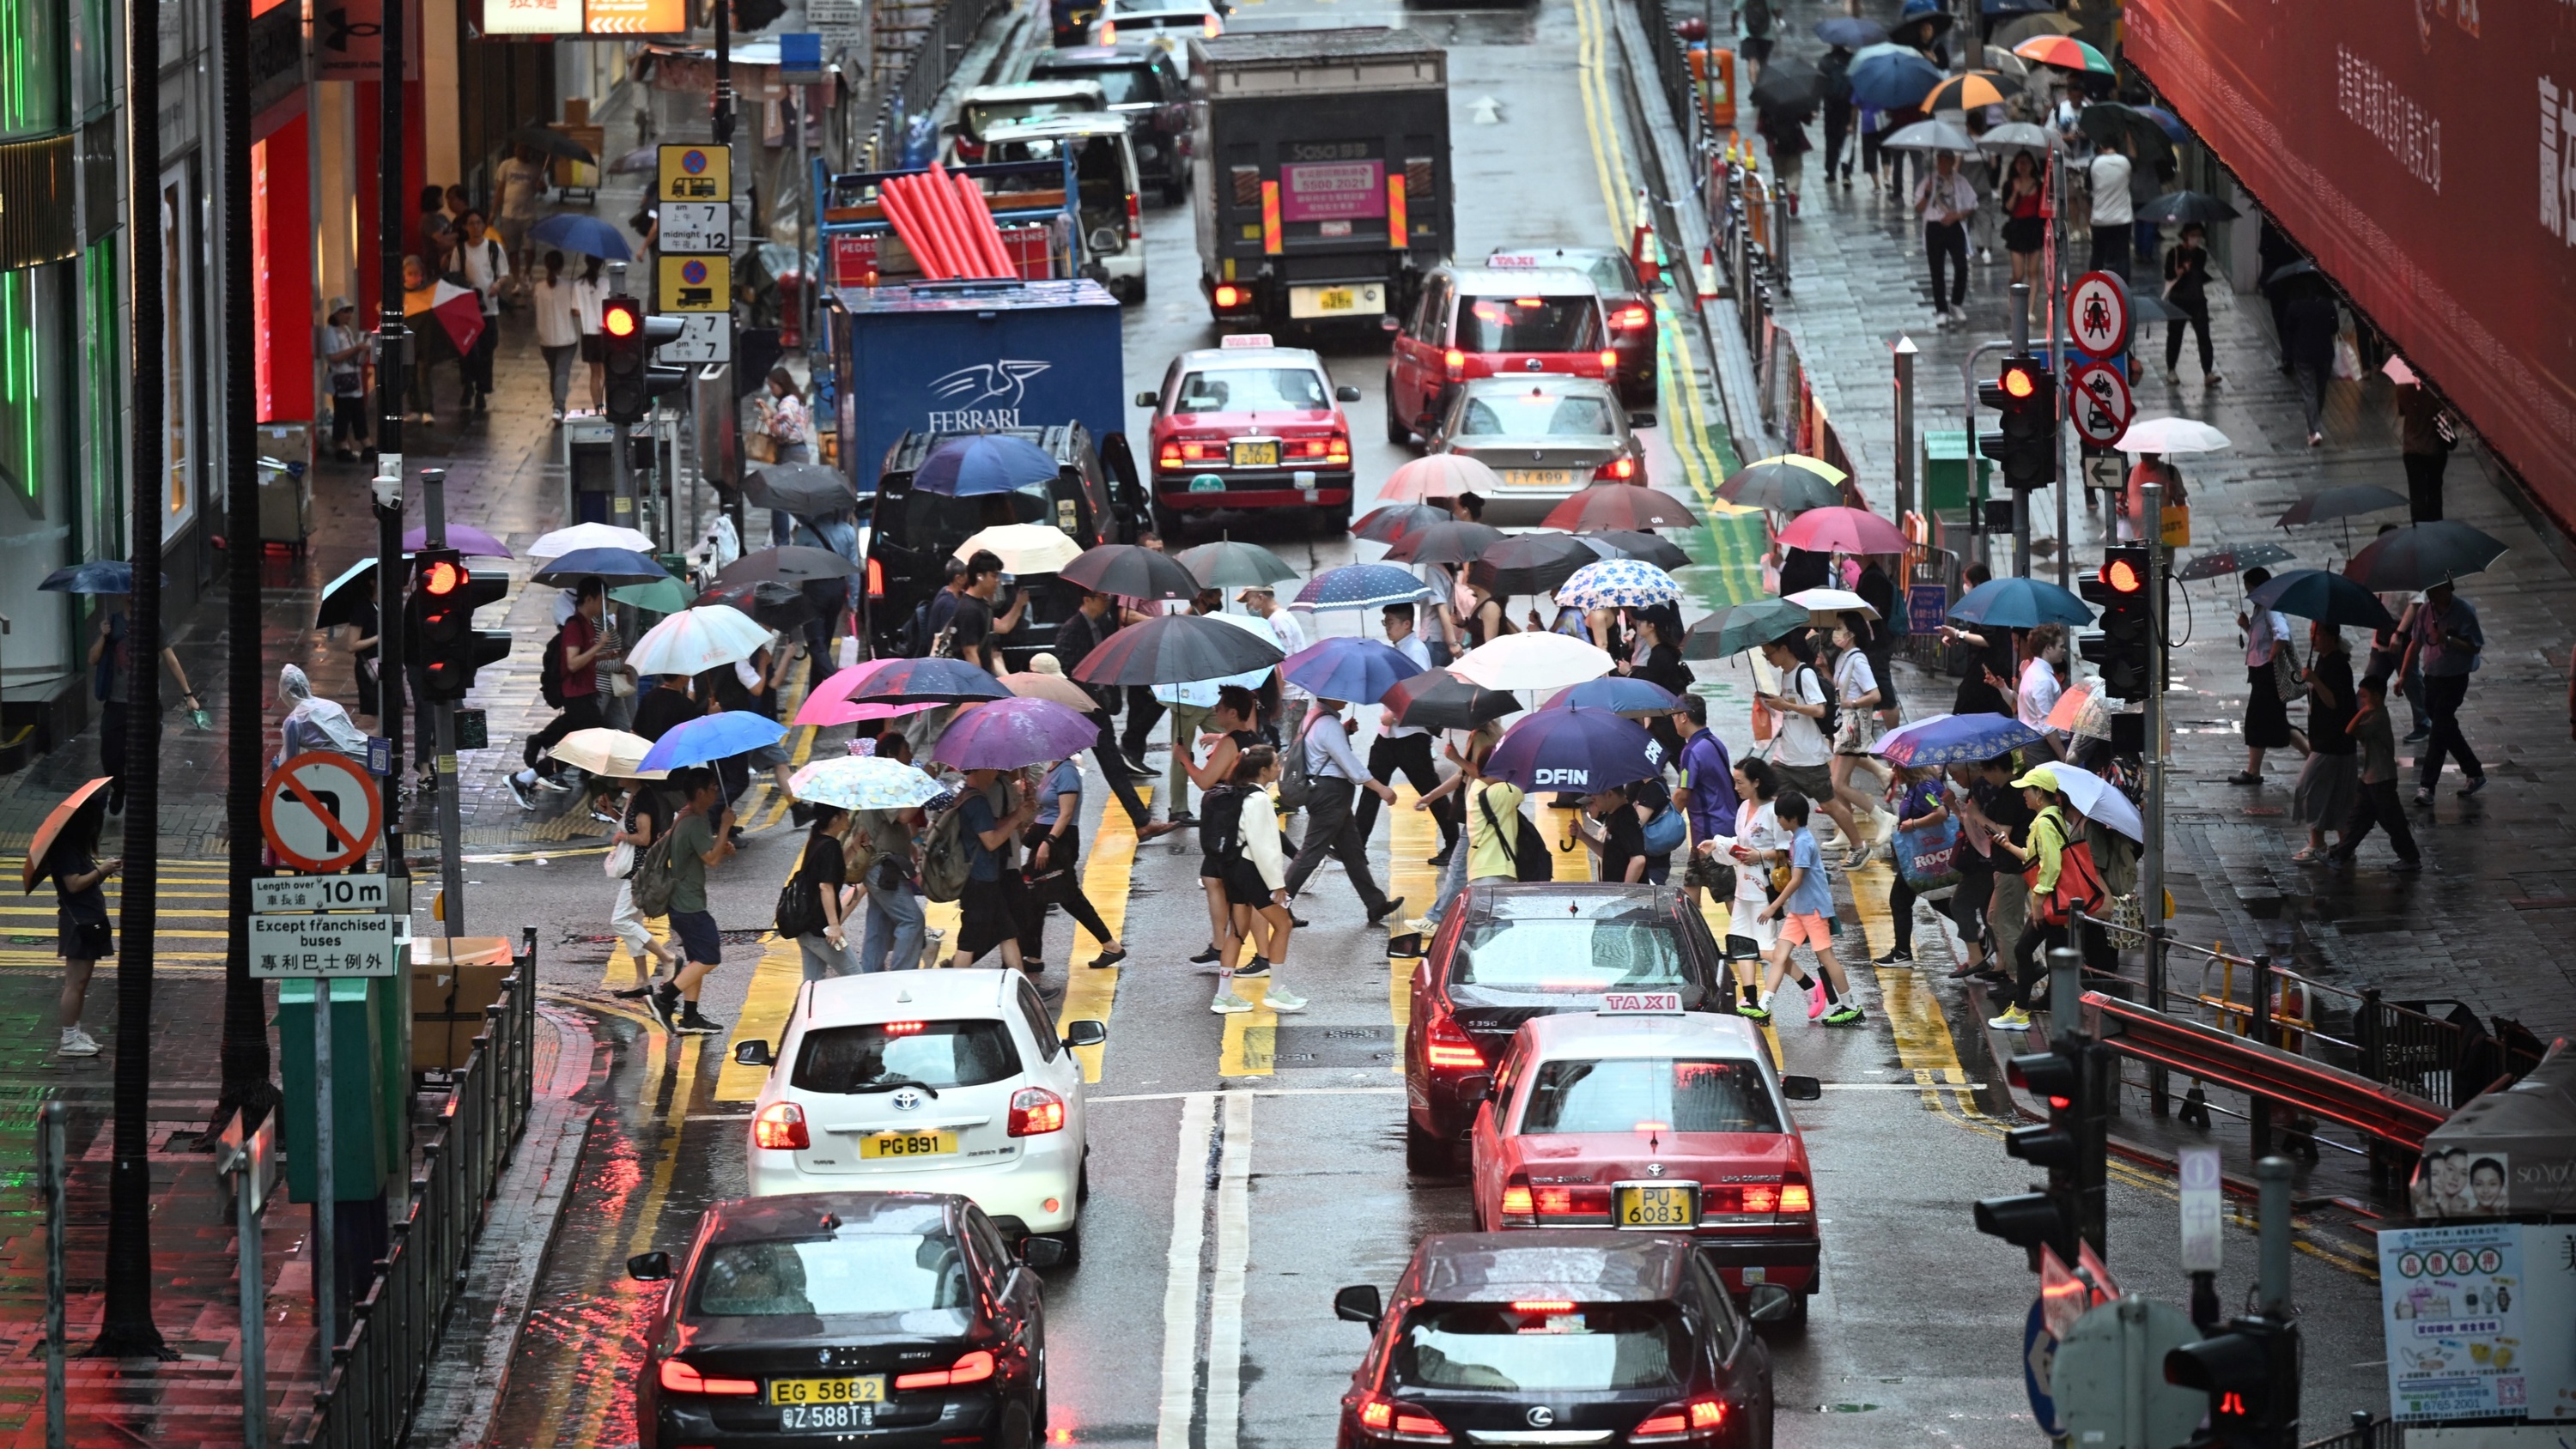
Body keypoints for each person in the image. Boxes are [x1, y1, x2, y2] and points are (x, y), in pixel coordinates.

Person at [1747, 791, 1865, 1028]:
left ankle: (1851, 1007)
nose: (1778, 821)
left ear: (1792, 818)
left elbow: (1797, 879)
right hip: (1799, 910)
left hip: (1813, 910)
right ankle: (1763, 1007)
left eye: (1780, 817)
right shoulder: (1796, 838)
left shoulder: (1803, 842)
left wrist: (1773, 906)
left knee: (1826, 957)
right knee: (1780, 956)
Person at [1283, 697, 1404, 925]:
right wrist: (1381, 789)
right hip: (1331, 794)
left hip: (1328, 793)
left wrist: (1343, 731)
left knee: (1352, 850)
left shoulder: (1316, 717)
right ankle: (1278, 905)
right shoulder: (1328, 724)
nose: (1346, 699)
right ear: (1328, 696)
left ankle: (1375, 904)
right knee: (1312, 851)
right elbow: (1352, 767)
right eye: (1340, 695)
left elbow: (1321, 749)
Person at [1206, 748, 1308, 1016]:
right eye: (1276, 763)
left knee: (1238, 931)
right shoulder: (1260, 800)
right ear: (1263, 771)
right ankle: (1276, 990)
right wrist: (1277, 885)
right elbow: (1266, 848)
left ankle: (1224, 996)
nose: (1279, 766)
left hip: (1232, 867)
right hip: (1251, 868)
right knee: (1283, 924)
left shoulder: (1238, 792)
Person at [1353, 604, 1455, 858]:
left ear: (1406, 624)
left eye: (1390, 622)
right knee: (1372, 786)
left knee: (1430, 790)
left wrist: (1394, 716)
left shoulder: (1415, 651)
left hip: (1411, 736)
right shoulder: (1400, 649)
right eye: (1385, 622)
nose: (1386, 627)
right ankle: (1355, 847)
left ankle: (1454, 841)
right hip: (1390, 737)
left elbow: (1420, 693)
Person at [88, 593, 200, 815]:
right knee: (111, 759)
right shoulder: (112, 623)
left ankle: (139, 807)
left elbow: (171, 659)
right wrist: (103, 636)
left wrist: (189, 695)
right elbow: (93, 659)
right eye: (128, 593)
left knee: (145, 760)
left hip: (147, 705)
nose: (132, 597)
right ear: (122, 597)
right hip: (116, 704)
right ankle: (119, 789)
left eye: (136, 592)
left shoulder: (153, 625)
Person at [1017, 755, 1128, 971]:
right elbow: (1046, 808)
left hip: (1058, 842)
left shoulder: (1067, 772)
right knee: (1035, 897)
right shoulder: (1051, 768)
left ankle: (1111, 945)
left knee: (1068, 896)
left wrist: (1048, 842)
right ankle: (1033, 957)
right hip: (1044, 838)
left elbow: (1066, 813)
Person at [511, 577, 615, 807]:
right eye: (602, 601)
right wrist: (599, 646)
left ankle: (526, 775)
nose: (604, 606)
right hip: (577, 695)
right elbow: (572, 663)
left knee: (575, 746)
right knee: (587, 743)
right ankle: (601, 797)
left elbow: (583, 660)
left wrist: (601, 655)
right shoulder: (574, 626)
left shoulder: (587, 625)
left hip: (586, 693)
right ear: (589, 599)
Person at [1757, 634, 1866, 852]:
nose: (1767, 658)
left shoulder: (1804, 673)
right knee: (1772, 800)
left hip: (1809, 759)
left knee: (1829, 805)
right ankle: (1782, 850)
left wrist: (1786, 705)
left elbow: (1819, 709)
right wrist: (1773, 702)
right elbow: (1793, 707)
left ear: (1784, 650)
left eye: (1769, 653)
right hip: (1786, 757)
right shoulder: (1786, 675)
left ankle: (1859, 846)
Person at [647, 767, 735, 1034]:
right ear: (699, 792)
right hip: (689, 904)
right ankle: (663, 999)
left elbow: (703, 850)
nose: (716, 792)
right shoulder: (696, 821)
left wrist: (721, 843)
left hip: (681, 902)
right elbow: (712, 860)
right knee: (709, 957)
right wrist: (725, 826)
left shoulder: (685, 816)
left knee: (697, 958)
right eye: (712, 788)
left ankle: (691, 1016)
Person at [1990, 765, 2075, 1032]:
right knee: (2055, 955)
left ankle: (2020, 1011)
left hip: (2051, 901)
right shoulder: (2052, 818)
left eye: (2027, 790)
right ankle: (2057, 1013)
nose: (2023, 795)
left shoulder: (2044, 822)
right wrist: (2008, 846)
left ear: (2040, 793)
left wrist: (2038, 899)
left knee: (2023, 949)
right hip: (2059, 901)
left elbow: (2051, 864)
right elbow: (2033, 855)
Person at [1415, 724, 1517, 932]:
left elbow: (1480, 773)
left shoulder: (1482, 735)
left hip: (1484, 809)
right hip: (1487, 809)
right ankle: (1440, 916)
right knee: (1460, 867)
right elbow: (1463, 775)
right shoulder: (1493, 731)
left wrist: (1455, 758)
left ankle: (1437, 918)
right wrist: (1431, 797)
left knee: (1459, 868)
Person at [2402, 579, 2486, 802]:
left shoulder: (2464, 611)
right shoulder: (2425, 612)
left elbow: (2475, 646)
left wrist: (2448, 640)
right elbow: (2415, 644)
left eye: (2435, 589)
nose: (2430, 593)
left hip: (2455, 677)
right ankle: (2474, 771)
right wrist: (2403, 675)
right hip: (2432, 677)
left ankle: (2427, 787)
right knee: (2445, 726)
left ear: (2447, 588)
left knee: (2438, 730)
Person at [2327, 676, 2420, 870]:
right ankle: (2339, 855)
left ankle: (2410, 858)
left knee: (2393, 822)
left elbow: (2349, 730)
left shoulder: (2377, 718)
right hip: (2371, 779)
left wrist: (2363, 711)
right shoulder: (2374, 716)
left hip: (2381, 779)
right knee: (2358, 820)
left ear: (2376, 697)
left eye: (2364, 696)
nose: (2362, 701)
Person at [951, 767, 1038, 970]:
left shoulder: (965, 796)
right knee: (968, 942)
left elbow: (993, 826)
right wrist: (1017, 817)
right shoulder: (977, 802)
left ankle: (1019, 984)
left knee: (1008, 933)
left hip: (985, 878)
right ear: (979, 770)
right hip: (979, 880)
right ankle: (954, 990)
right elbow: (991, 841)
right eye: (990, 770)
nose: (994, 774)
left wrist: (1019, 812)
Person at [46, 796, 114, 1056]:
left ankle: (75, 1030)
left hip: (89, 919)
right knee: (75, 982)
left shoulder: (76, 847)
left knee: (82, 981)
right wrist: (101, 870)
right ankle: (69, 1038)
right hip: (78, 923)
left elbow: (85, 883)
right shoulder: (65, 849)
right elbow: (73, 884)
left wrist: (102, 871)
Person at [607, 778, 681, 999]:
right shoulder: (636, 796)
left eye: (621, 771)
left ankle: (667, 957)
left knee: (620, 921)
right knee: (633, 922)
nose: (617, 776)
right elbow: (632, 825)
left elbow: (644, 837)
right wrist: (612, 812)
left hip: (640, 872)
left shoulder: (644, 799)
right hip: (638, 870)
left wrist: (622, 837)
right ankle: (642, 980)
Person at [2291, 625, 2357, 863]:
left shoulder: (2338, 665)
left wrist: (2315, 680)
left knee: (2307, 786)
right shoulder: (2322, 659)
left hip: (2334, 742)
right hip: (2326, 740)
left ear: (2331, 636)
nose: (2312, 637)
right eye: (2311, 632)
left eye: (2317, 633)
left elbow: (2334, 703)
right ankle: (2345, 845)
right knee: (2340, 794)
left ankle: (2317, 842)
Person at [2231, 570, 2304, 785]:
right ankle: (2253, 771)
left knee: (2267, 722)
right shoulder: (2260, 609)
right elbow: (2261, 638)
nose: (2248, 593)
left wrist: (2272, 656)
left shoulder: (2272, 607)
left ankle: (2313, 758)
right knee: (2264, 722)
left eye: (2250, 588)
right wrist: (2247, 626)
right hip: (2259, 674)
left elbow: (2281, 634)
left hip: (2267, 674)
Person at [1874, 764, 1947, 965]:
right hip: (1921, 854)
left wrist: (1913, 824)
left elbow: (1941, 812)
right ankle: (1978, 934)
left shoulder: (1924, 787)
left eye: (1896, 768)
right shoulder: (1917, 786)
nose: (1893, 772)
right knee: (1937, 899)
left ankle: (1902, 953)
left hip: (1924, 854)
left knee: (1899, 900)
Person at [1674, 694, 1740, 912]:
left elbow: (1683, 793)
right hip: (1714, 832)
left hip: (1712, 837)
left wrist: (1666, 822)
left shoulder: (1691, 751)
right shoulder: (1714, 742)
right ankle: (1689, 940)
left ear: (1684, 717)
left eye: (1675, 715)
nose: (1672, 720)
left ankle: (1751, 941)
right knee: (1691, 886)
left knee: (1731, 896)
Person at [853, 788, 928, 973]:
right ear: (891, 756)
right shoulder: (883, 788)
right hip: (882, 866)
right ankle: (902, 976)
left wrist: (909, 846)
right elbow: (904, 816)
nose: (910, 757)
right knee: (912, 920)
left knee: (879, 925)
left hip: (884, 865)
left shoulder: (882, 786)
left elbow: (891, 827)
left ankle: (870, 977)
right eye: (907, 756)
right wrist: (922, 786)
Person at [1826, 622, 1886, 852]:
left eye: (1840, 626)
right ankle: (1844, 830)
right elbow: (1840, 688)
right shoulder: (1843, 657)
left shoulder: (1858, 659)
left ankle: (1881, 817)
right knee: (1839, 782)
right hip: (1843, 724)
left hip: (1854, 727)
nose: (1836, 631)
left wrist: (1851, 703)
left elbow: (1875, 694)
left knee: (1838, 783)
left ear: (1851, 632)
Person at [789, 807, 859, 980]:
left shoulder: (817, 839)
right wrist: (834, 926)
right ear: (834, 819)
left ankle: (808, 1008)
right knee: (856, 977)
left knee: (812, 985)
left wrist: (854, 848)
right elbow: (825, 886)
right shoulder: (830, 846)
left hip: (806, 926)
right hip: (820, 930)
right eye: (844, 813)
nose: (848, 816)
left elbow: (832, 870)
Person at [1912, 149, 1977, 326]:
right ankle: (1941, 309)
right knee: (1937, 270)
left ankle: (1956, 302)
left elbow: (1972, 205)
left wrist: (1957, 216)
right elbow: (1918, 208)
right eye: (1939, 160)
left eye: (1945, 160)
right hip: (1934, 227)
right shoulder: (1928, 181)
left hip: (1954, 226)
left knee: (1961, 266)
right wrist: (1927, 193)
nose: (1941, 164)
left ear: (1951, 162)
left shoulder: (1960, 181)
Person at [455, 210, 508, 412]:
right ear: (465, 227)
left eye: (479, 223)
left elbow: (504, 274)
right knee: (468, 352)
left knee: (487, 351)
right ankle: (468, 384)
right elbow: (454, 277)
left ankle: (481, 391)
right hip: (467, 311)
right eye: (471, 223)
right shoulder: (460, 251)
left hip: (489, 309)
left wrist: (497, 285)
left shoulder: (494, 248)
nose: (476, 227)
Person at [2159, 221, 2221, 385]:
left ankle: (2208, 372)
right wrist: (2180, 270)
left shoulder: (2200, 254)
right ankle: (2171, 369)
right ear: (2185, 235)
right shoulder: (2174, 253)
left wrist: (2188, 265)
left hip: (2197, 299)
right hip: (2178, 299)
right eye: (2193, 235)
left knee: (2204, 336)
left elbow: (2198, 268)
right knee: (2175, 335)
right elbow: (2169, 273)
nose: (2196, 239)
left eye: (2199, 236)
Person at [945, 551, 1028, 674]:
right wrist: (980, 683)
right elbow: (970, 652)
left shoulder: (982, 604)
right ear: (980, 576)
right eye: (994, 576)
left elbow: (990, 644)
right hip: (968, 679)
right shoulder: (969, 609)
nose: (997, 581)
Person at [276, 664, 368, 767]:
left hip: (340, 767)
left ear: (284, 692)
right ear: (306, 685)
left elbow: (289, 762)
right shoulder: (332, 705)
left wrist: (278, 765)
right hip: (364, 754)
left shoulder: (294, 721)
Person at [2283, 288, 2340, 447]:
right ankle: (2315, 425)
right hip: (2324, 354)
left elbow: (2288, 331)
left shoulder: (2294, 307)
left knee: (2309, 393)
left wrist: (2287, 356)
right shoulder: (2327, 305)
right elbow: (2334, 327)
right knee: (2320, 391)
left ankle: (2313, 431)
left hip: (2303, 355)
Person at [533, 250, 585, 422]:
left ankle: (557, 405)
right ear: (562, 267)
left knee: (554, 373)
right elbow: (576, 312)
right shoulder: (570, 287)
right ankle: (559, 407)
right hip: (566, 338)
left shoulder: (539, 288)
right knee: (562, 373)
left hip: (546, 339)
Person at [319, 299, 372, 459]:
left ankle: (362, 442)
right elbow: (333, 357)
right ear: (336, 313)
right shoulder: (330, 332)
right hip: (341, 380)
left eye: (351, 310)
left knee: (357, 412)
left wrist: (362, 348)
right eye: (345, 311)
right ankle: (342, 444)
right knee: (343, 413)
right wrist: (356, 348)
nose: (349, 314)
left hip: (352, 378)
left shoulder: (346, 330)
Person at [2395, 376, 2451, 522]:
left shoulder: (2403, 387)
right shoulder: (2436, 388)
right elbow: (2445, 414)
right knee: (2435, 492)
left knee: (2416, 495)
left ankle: (2418, 530)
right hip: (2435, 448)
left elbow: (2402, 411)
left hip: (2412, 448)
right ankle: (2436, 527)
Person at [493, 145, 548, 285]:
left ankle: (527, 273)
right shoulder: (506, 165)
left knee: (530, 248)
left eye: (523, 148)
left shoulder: (536, 169)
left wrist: (542, 187)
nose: (519, 150)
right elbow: (500, 189)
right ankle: (516, 280)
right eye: (517, 147)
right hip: (509, 214)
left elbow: (544, 190)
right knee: (513, 250)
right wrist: (493, 211)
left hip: (528, 215)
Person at [2000, 150, 2045, 322]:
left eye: (2027, 162)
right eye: (2020, 162)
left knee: (2033, 272)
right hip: (2017, 230)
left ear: (2032, 165)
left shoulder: (2039, 185)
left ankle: (2030, 310)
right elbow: (2007, 209)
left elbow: (2043, 210)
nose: (2023, 166)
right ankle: (2014, 302)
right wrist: (2016, 192)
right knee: (2018, 274)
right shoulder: (2010, 185)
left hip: (2034, 229)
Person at [1574, 782, 1649, 883]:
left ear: (1609, 794)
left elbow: (1638, 860)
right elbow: (1609, 853)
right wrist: (1582, 835)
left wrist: (1624, 892)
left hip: (1625, 895)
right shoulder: (1614, 815)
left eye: (1595, 796)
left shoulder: (1626, 819)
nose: (1592, 799)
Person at [2016, 623, 2069, 756]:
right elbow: (2047, 724)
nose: (2064, 650)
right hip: (2044, 748)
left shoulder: (2033, 671)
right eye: (2061, 646)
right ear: (2048, 648)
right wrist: (2063, 756)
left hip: (2037, 744)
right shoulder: (2042, 679)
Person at [2087, 137, 2134, 277]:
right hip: (2122, 218)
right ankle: (2123, 288)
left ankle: (2095, 283)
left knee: (2097, 255)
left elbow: (2088, 186)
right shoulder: (2125, 162)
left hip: (2100, 218)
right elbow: (2133, 162)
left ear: (2102, 147)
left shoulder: (2095, 163)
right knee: (2123, 256)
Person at [1757, 105, 1811, 215]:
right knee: (1795, 170)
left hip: (1776, 143)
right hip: (1794, 141)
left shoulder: (1768, 101)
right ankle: (1792, 192)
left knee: (1779, 173)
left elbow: (1761, 126)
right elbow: (1806, 118)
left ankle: (1781, 196)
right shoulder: (1795, 99)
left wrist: (1768, 137)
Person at [574, 254, 609, 410]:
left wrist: (588, 313)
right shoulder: (606, 282)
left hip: (588, 332)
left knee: (594, 373)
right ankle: (611, 404)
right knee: (608, 372)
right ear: (602, 264)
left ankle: (597, 406)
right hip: (606, 333)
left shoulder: (578, 284)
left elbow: (575, 311)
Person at [1820, 45, 1856, 185]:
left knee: (1831, 140)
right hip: (1849, 106)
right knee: (1848, 141)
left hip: (1831, 107)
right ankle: (1846, 173)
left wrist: (1816, 106)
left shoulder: (1825, 61)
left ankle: (1831, 172)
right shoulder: (1853, 60)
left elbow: (1819, 83)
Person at [762, 368, 814, 465]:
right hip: (798, 450)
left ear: (781, 384)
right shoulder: (795, 399)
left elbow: (783, 431)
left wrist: (768, 419)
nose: (771, 391)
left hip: (791, 452)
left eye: (772, 387)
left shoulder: (788, 403)